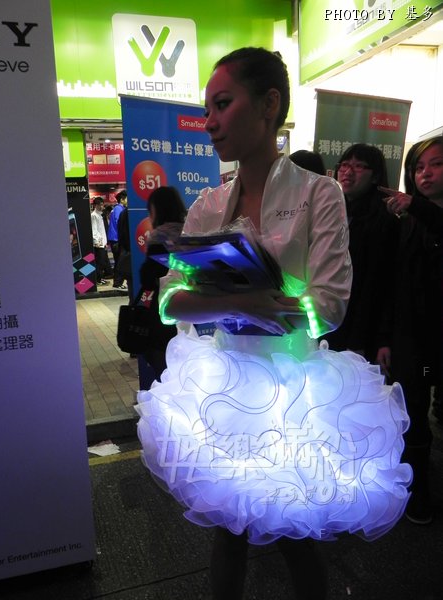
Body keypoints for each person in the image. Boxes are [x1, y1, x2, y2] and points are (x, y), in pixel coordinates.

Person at [135, 48, 411, 600]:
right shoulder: (208, 205)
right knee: (227, 529)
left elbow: (329, 306)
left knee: (293, 533)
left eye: (222, 104)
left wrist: (237, 301)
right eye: (206, 109)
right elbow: (168, 303)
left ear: (268, 105)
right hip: (221, 384)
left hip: (294, 392)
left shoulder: (318, 193)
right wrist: (250, 303)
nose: (209, 122)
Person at [381, 136, 443, 525]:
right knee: (413, 415)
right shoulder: (407, 221)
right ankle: (417, 491)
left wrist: (416, 206)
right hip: (413, 335)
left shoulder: (417, 212)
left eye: (436, 164)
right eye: (419, 167)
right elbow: (394, 284)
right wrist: (386, 338)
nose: (425, 173)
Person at [323, 143, 399, 370]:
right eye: (344, 165)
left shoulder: (385, 219)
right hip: (331, 318)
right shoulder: (331, 212)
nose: (348, 172)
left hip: (364, 326)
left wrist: (367, 339)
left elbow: (381, 284)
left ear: (375, 176)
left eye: (358, 166)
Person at [137, 186, 187, 381]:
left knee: (160, 356)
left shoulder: (159, 236)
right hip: (189, 303)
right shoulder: (190, 231)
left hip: (163, 305)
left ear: (157, 209)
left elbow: (150, 276)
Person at [108, 190, 128, 290]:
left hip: (116, 239)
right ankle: (117, 283)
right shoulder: (118, 209)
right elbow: (119, 223)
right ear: (122, 199)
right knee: (119, 261)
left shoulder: (118, 209)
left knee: (119, 261)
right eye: (127, 198)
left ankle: (118, 282)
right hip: (116, 239)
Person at [90, 196, 109, 286]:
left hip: (102, 243)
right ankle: (98, 279)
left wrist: (105, 242)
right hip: (98, 244)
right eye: (100, 205)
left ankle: (100, 278)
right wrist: (99, 241)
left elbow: (102, 230)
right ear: (95, 205)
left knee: (102, 262)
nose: (102, 206)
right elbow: (94, 230)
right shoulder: (93, 215)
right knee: (99, 262)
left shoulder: (100, 215)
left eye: (102, 205)